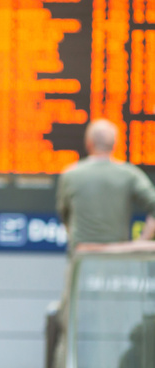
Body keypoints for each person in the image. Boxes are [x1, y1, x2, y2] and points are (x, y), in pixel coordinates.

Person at [52, 118, 155, 368]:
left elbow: (65, 218)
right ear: (116, 144)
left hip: (80, 265)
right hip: (117, 268)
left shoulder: (71, 174)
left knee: (71, 327)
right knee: (115, 330)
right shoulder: (128, 174)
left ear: (88, 143)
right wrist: (141, 241)